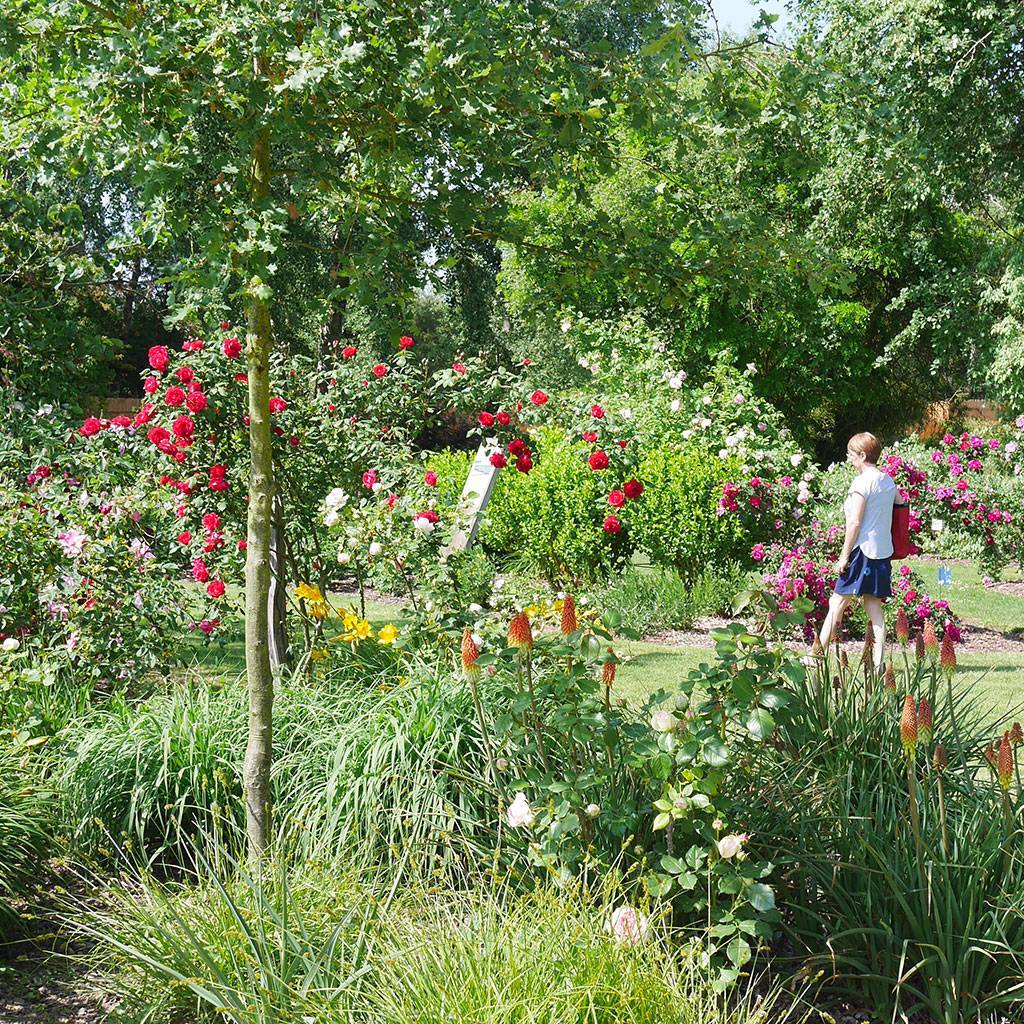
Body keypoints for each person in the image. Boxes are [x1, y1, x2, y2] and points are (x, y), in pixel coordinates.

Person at [804, 432, 897, 672]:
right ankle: (878, 664)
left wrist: (844, 556)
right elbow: (900, 507)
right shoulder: (888, 481)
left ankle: (815, 656)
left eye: (851, 454)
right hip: (882, 551)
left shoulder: (861, 483)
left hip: (861, 551)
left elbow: (854, 523)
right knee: (874, 608)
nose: (849, 458)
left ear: (863, 455)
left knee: (837, 602)